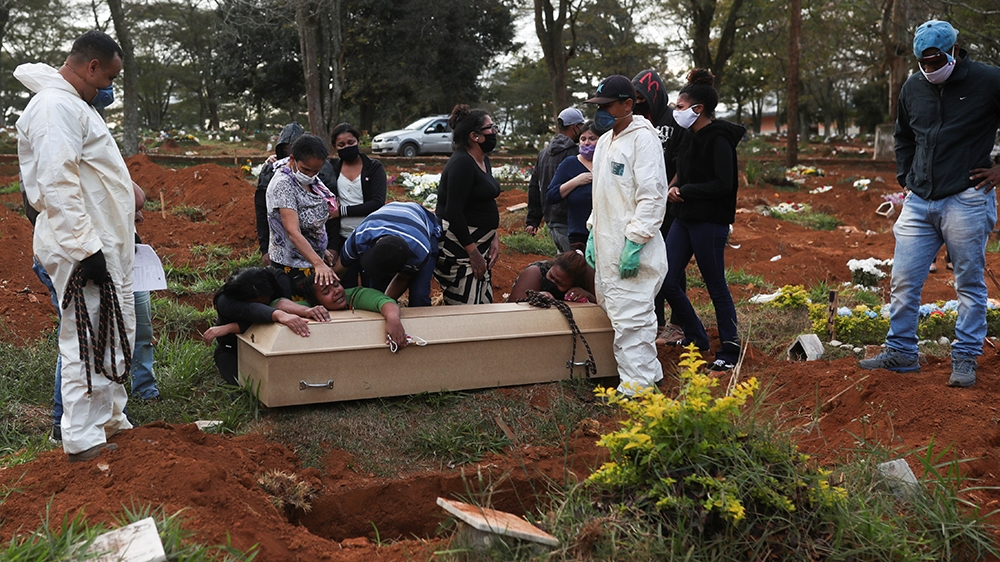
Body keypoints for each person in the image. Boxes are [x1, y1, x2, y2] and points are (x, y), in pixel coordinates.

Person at [860, 20, 1000, 388]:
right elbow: (903, 135)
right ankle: (902, 352)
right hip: (920, 200)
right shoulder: (912, 86)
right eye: (924, 63)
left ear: (954, 51)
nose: (931, 69)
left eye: (937, 61)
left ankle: (966, 356)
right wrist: (906, 177)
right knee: (904, 280)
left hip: (967, 198)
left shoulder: (988, 81)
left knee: (968, 282)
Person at [16, 30, 134, 462]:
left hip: (101, 240)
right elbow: (57, 183)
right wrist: (86, 250)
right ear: (91, 67)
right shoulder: (54, 107)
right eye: (109, 77)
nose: (110, 87)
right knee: (85, 338)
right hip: (80, 245)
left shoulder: (72, 105)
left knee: (110, 334)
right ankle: (83, 439)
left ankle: (109, 421)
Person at [584, 75, 669, 395]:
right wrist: (593, 230)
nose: (601, 112)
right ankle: (650, 372)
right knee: (617, 313)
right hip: (607, 246)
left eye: (607, 106)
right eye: (598, 106)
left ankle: (638, 389)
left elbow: (652, 195)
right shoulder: (605, 141)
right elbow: (601, 193)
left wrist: (635, 241)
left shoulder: (643, 139)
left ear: (628, 104)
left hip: (632, 248)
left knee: (633, 320)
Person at [661, 69, 747, 372]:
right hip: (683, 218)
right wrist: (672, 186)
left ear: (698, 109)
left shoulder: (719, 139)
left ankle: (730, 348)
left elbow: (724, 184)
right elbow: (681, 171)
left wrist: (686, 190)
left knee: (715, 285)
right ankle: (697, 337)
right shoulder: (689, 136)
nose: (675, 111)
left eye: (680, 107)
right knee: (667, 279)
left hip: (709, 221)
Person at [633, 68, 688, 346]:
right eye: (635, 97)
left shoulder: (673, 121)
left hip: (669, 204)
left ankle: (678, 323)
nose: (639, 101)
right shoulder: (638, 123)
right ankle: (657, 321)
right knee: (649, 262)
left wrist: (668, 189)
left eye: (643, 96)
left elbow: (681, 161)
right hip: (645, 205)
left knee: (673, 264)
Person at [204, 268, 329, 386]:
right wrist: (279, 314)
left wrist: (306, 311)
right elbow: (252, 311)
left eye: (266, 301)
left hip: (275, 347)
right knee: (251, 384)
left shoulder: (277, 279)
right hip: (234, 349)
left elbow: (280, 302)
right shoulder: (225, 301)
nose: (264, 304)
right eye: (259, 302)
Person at [434, 104, 502, 304]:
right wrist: (473, 252)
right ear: (475, 136)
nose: (494, 131)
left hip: (480, 245)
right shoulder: (462, 164)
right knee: (465, 306)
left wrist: (493, 237)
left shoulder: (482, 159)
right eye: (490, 127)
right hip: (459, 248)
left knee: (483, 302)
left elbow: (483, 201)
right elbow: (453, 211)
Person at [265, 134, 338, 297]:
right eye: (306, 169)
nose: (310, 175)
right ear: (292, 159)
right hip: (292, 266)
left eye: (316, 171)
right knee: (302, 312)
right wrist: (318, 263)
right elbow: (293, 231)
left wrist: (319, 249)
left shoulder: (311, 180)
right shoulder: (283, 184)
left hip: (309, 260)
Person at [318, 122, 387, 288]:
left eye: (351, 142)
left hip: (370, 237)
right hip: (343, 240)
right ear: (335, 146)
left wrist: (341, 211)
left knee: (373, 286)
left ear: (358, 141)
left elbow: (377, 203)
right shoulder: (331, 169)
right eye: (341, 144)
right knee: (346, 287)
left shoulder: (373, 167)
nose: (347, 147)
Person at [335, 201, 442, 306]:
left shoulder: (419, 252)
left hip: (423, 224)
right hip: (388, 216)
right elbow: (339, 270)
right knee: (376, 289)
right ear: (377, 242)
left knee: (419, 294)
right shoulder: (360, 236)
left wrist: (384, 304)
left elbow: (403, 278)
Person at [526, 107, 585, 252]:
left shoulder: (544, 154)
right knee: (576, 266)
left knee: (564, 262)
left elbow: (534, 186)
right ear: (575, 127)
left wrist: (533, 220)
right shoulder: (575, 154)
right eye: (582, 127)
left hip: (551, 220)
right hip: (570, 222)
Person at [256, 122, 304, 266]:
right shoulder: (270, 171)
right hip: (279, 246)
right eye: (286, 148)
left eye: (293, 147)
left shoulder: (316, 170)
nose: (290, 153)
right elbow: (262, 211)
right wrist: (265, 250)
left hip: (311, 244)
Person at [545, 121, 598, 249]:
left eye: (592, 139)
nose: (586, 143)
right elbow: (551, 195)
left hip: (605, 235)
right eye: (583, 139)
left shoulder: (608, 163)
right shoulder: (569, 164)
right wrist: (575, 181)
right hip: (579, 236)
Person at [507, 250, 596, 303]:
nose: (552, 282)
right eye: (551, 276)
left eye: (560, 283)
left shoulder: (588, 279)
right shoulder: (534, 272)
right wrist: (533, 299)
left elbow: (604, 308)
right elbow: (513, 307)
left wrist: (587, 296)